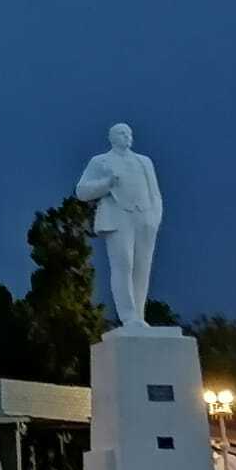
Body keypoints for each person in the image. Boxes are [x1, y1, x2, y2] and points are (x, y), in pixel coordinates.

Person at [75, 122, 164, 328]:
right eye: (121, 133)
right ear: (111, 137)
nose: (126, 136)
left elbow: (155, 193)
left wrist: (154, 218)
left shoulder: (144, 161)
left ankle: (139, 315)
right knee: (123, 264)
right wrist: (106, 184)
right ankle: (128, 316)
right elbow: (81, 191)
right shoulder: (100, 161)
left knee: (142, 267)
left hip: (144, 218)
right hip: (117, 218)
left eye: (129, 133)